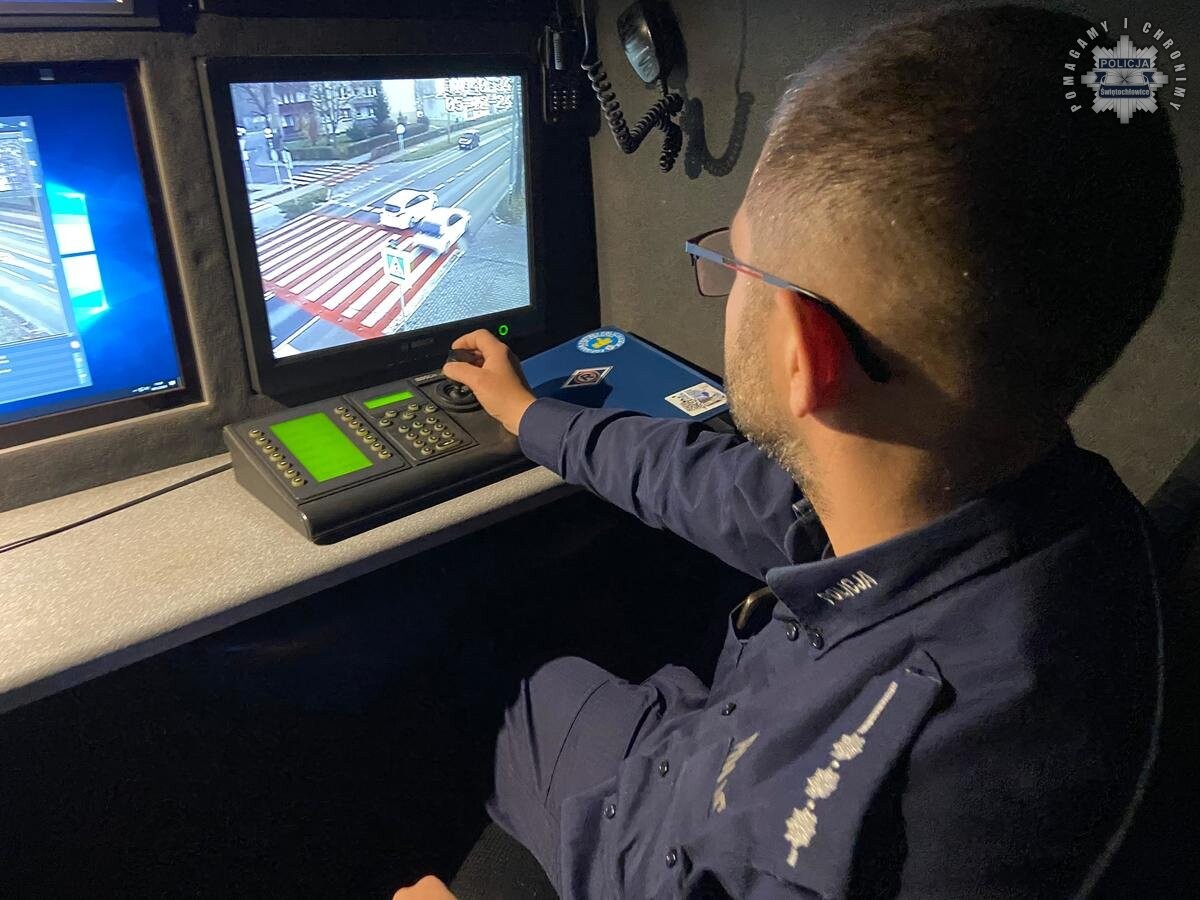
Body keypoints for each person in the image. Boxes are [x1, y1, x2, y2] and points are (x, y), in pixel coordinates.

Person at [395, 5, 1182, 898]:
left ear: (806, 351)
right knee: (542, 682)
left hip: (684, 841)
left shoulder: (865, 839)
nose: (723, 284)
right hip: (708, 743)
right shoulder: (1026, 503)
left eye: (735, 264)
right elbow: (720, 487)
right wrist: (529, 415)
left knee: (500, 699)